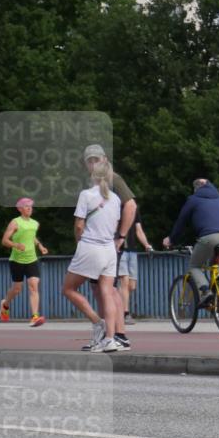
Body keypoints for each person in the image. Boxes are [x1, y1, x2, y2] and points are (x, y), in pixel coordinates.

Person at [63, 159, 121, 353]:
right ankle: (110, 339)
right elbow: (113, 225)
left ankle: (97, 323)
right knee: (107, 293)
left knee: (69, 289)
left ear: (93, 175)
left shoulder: (86, 195)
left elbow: (79, 225)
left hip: (90, 247)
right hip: (110, 250)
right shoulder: (116, 199)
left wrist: (79, 242)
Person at [82, 145, 136, 350]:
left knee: (107, 289)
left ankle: (117, 334)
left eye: (97, 160)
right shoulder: (95, 183)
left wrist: (120, 236)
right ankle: (113, 334)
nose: (94, 164)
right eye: (90, 161)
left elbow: (131, 205)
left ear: (104, 159)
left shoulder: (114, 178)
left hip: (108, 243)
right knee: (101, 289)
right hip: (100, 243)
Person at [162, 179, 219, 308]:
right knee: (215, 265)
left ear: (196, 189)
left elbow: (181, 221)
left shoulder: (194, 199)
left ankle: (206, 292)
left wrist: (171, 239)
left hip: (209, 237)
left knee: (194, 266)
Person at [0, 197, 49, 327]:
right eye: (26, 206)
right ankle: (5, 304)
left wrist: (40, 246)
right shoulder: (15, 222)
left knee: (33, 285)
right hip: (17, 260)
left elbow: (32, 237)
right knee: (17, 289)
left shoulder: (35, 223)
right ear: (19, 209)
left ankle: (35, 317)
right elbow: (4, 241)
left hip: (32, 259)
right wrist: (16, 245)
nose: (29, 209)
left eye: (30, 206)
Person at [118, 214, 154, 324]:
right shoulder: (116, 205)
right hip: (120, 250)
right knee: (124, 281)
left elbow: (139, 230)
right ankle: (125, 314)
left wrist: (146, 245)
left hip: (132, 251)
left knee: (131, 286)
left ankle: (117, 308)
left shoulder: (134, 209)